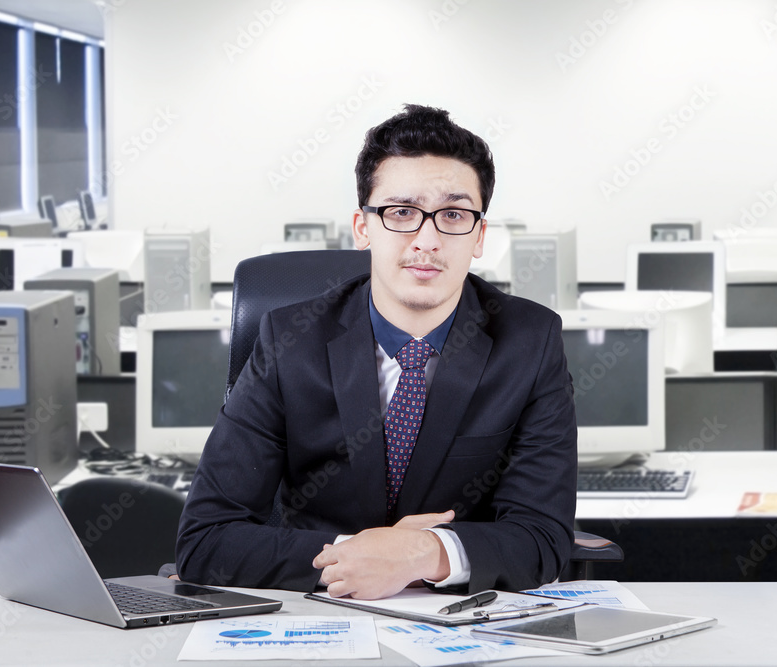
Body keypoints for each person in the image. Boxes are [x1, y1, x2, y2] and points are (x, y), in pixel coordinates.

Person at [176, 104, 577, 600]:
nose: (426, 239)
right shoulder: (289, 340)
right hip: (318, 616)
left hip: (459, 623)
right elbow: (205, 539)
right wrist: (363, 556)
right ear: (363, 227)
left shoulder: (531, 341)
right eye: (401, 212)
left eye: (453, 214)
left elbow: (543, 538)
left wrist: (423, 554)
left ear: (479, 236)